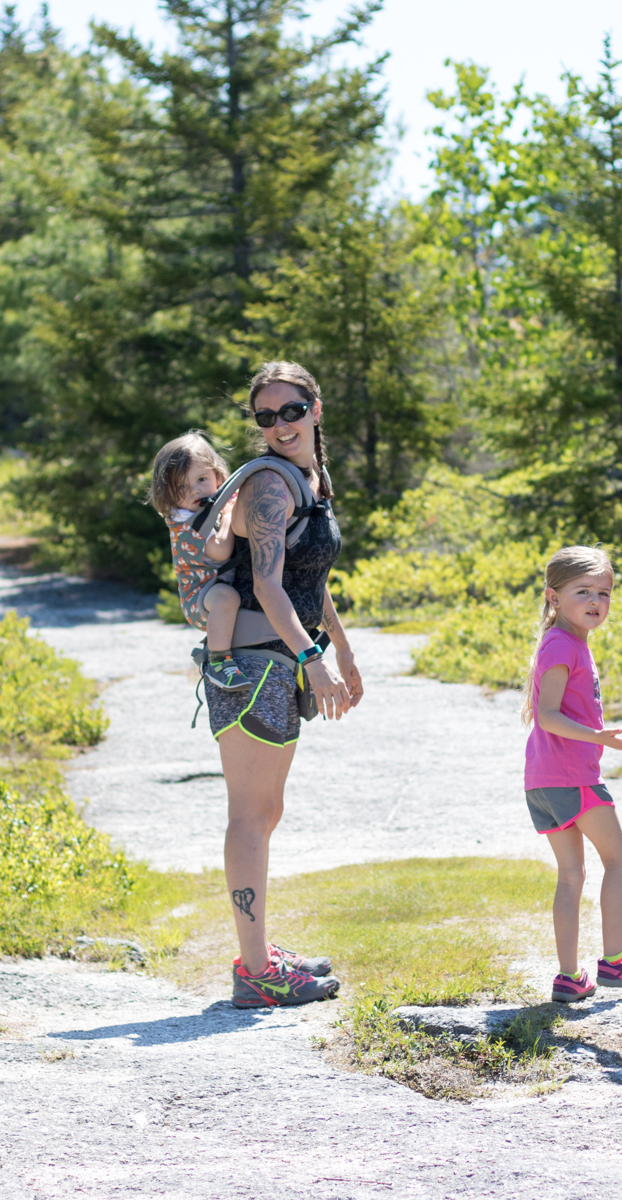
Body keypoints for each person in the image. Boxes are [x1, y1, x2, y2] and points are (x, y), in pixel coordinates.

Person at [209, 361, 364, 1009]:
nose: (280, 425)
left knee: (265, 811)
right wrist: (313, 657)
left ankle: (259, 952)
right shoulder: (271, 485)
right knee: (250, 815)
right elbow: (267, 584)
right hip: (252, 665)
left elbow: (309, 578)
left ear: (315, 410)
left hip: (276, 660)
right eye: (266, 416)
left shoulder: (310, 479)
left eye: (291, 411)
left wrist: (342, 650)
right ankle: (254, 973)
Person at [524, 545, 622, 1003]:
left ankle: (570, 976)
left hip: (544, 779)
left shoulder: (565, 643)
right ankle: (615, 961)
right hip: (572, 776)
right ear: (553, 597)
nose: (595, 601)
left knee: (571, 874)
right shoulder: (563, 645)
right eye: (582, 591)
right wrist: (600, 737)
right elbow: (547, 715)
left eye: (603, 593)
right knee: (619, 859)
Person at [148, 432, 250, 691]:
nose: (194, 490)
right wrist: (229, 515)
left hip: (216, 584)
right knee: (226, 597)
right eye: (181, 487)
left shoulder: (210, 505)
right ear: (168, 494)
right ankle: (218, 663)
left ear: (218, 476)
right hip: (199, 597)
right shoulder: (186, 522)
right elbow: (221, 551)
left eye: (202, 479)